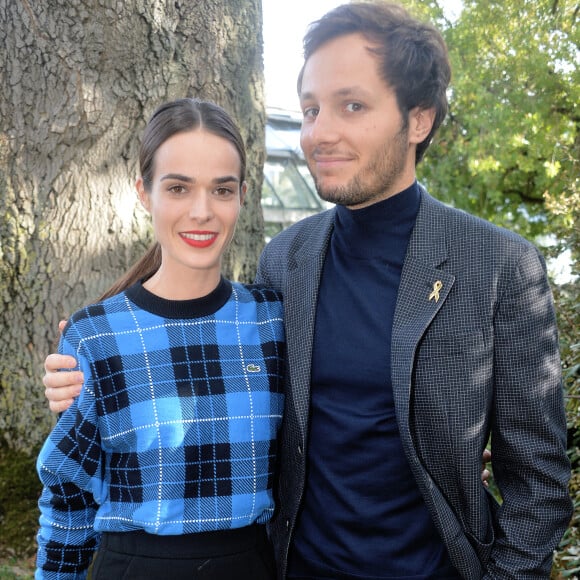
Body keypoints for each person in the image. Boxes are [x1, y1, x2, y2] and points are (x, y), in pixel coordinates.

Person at [42, 2, 572, 579]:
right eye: (312, 109)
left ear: (418, 119)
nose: (320, 132)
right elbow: (213, 362)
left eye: (352, 105)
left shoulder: (499, 266)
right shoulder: (286, 261)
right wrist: (93, 370)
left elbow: (539, 484)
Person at [35, 98, 284, 580]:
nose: (201, 211)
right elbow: (69, 495)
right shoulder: (95, 335)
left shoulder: (272, 321)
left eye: (221, 190)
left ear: (242, 197)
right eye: (178, 188)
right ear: (144, 193)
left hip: (252, 566)